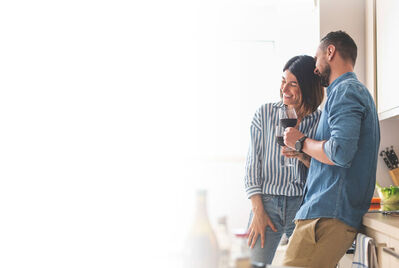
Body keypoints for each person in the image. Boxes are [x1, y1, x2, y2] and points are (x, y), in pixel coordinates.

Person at [281, 31, 380, 268]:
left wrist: (300, 141)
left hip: (326, 215)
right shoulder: (347, 92)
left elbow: (339, 153)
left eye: (316, 60)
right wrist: (305, 153)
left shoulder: (345, 92)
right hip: (326, 213)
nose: (315, 68)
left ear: (330, 52)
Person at [244, 55, 324, 265]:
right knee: (253, 264)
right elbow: (253, 166)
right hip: (267, 204)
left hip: (302, 205)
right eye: (283, 81)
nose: (284, 89)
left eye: (292, 84)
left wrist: (302, 154)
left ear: (307, 87)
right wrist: (258, 211)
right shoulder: (265, 114)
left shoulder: (319, 120)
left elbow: (321, 169)